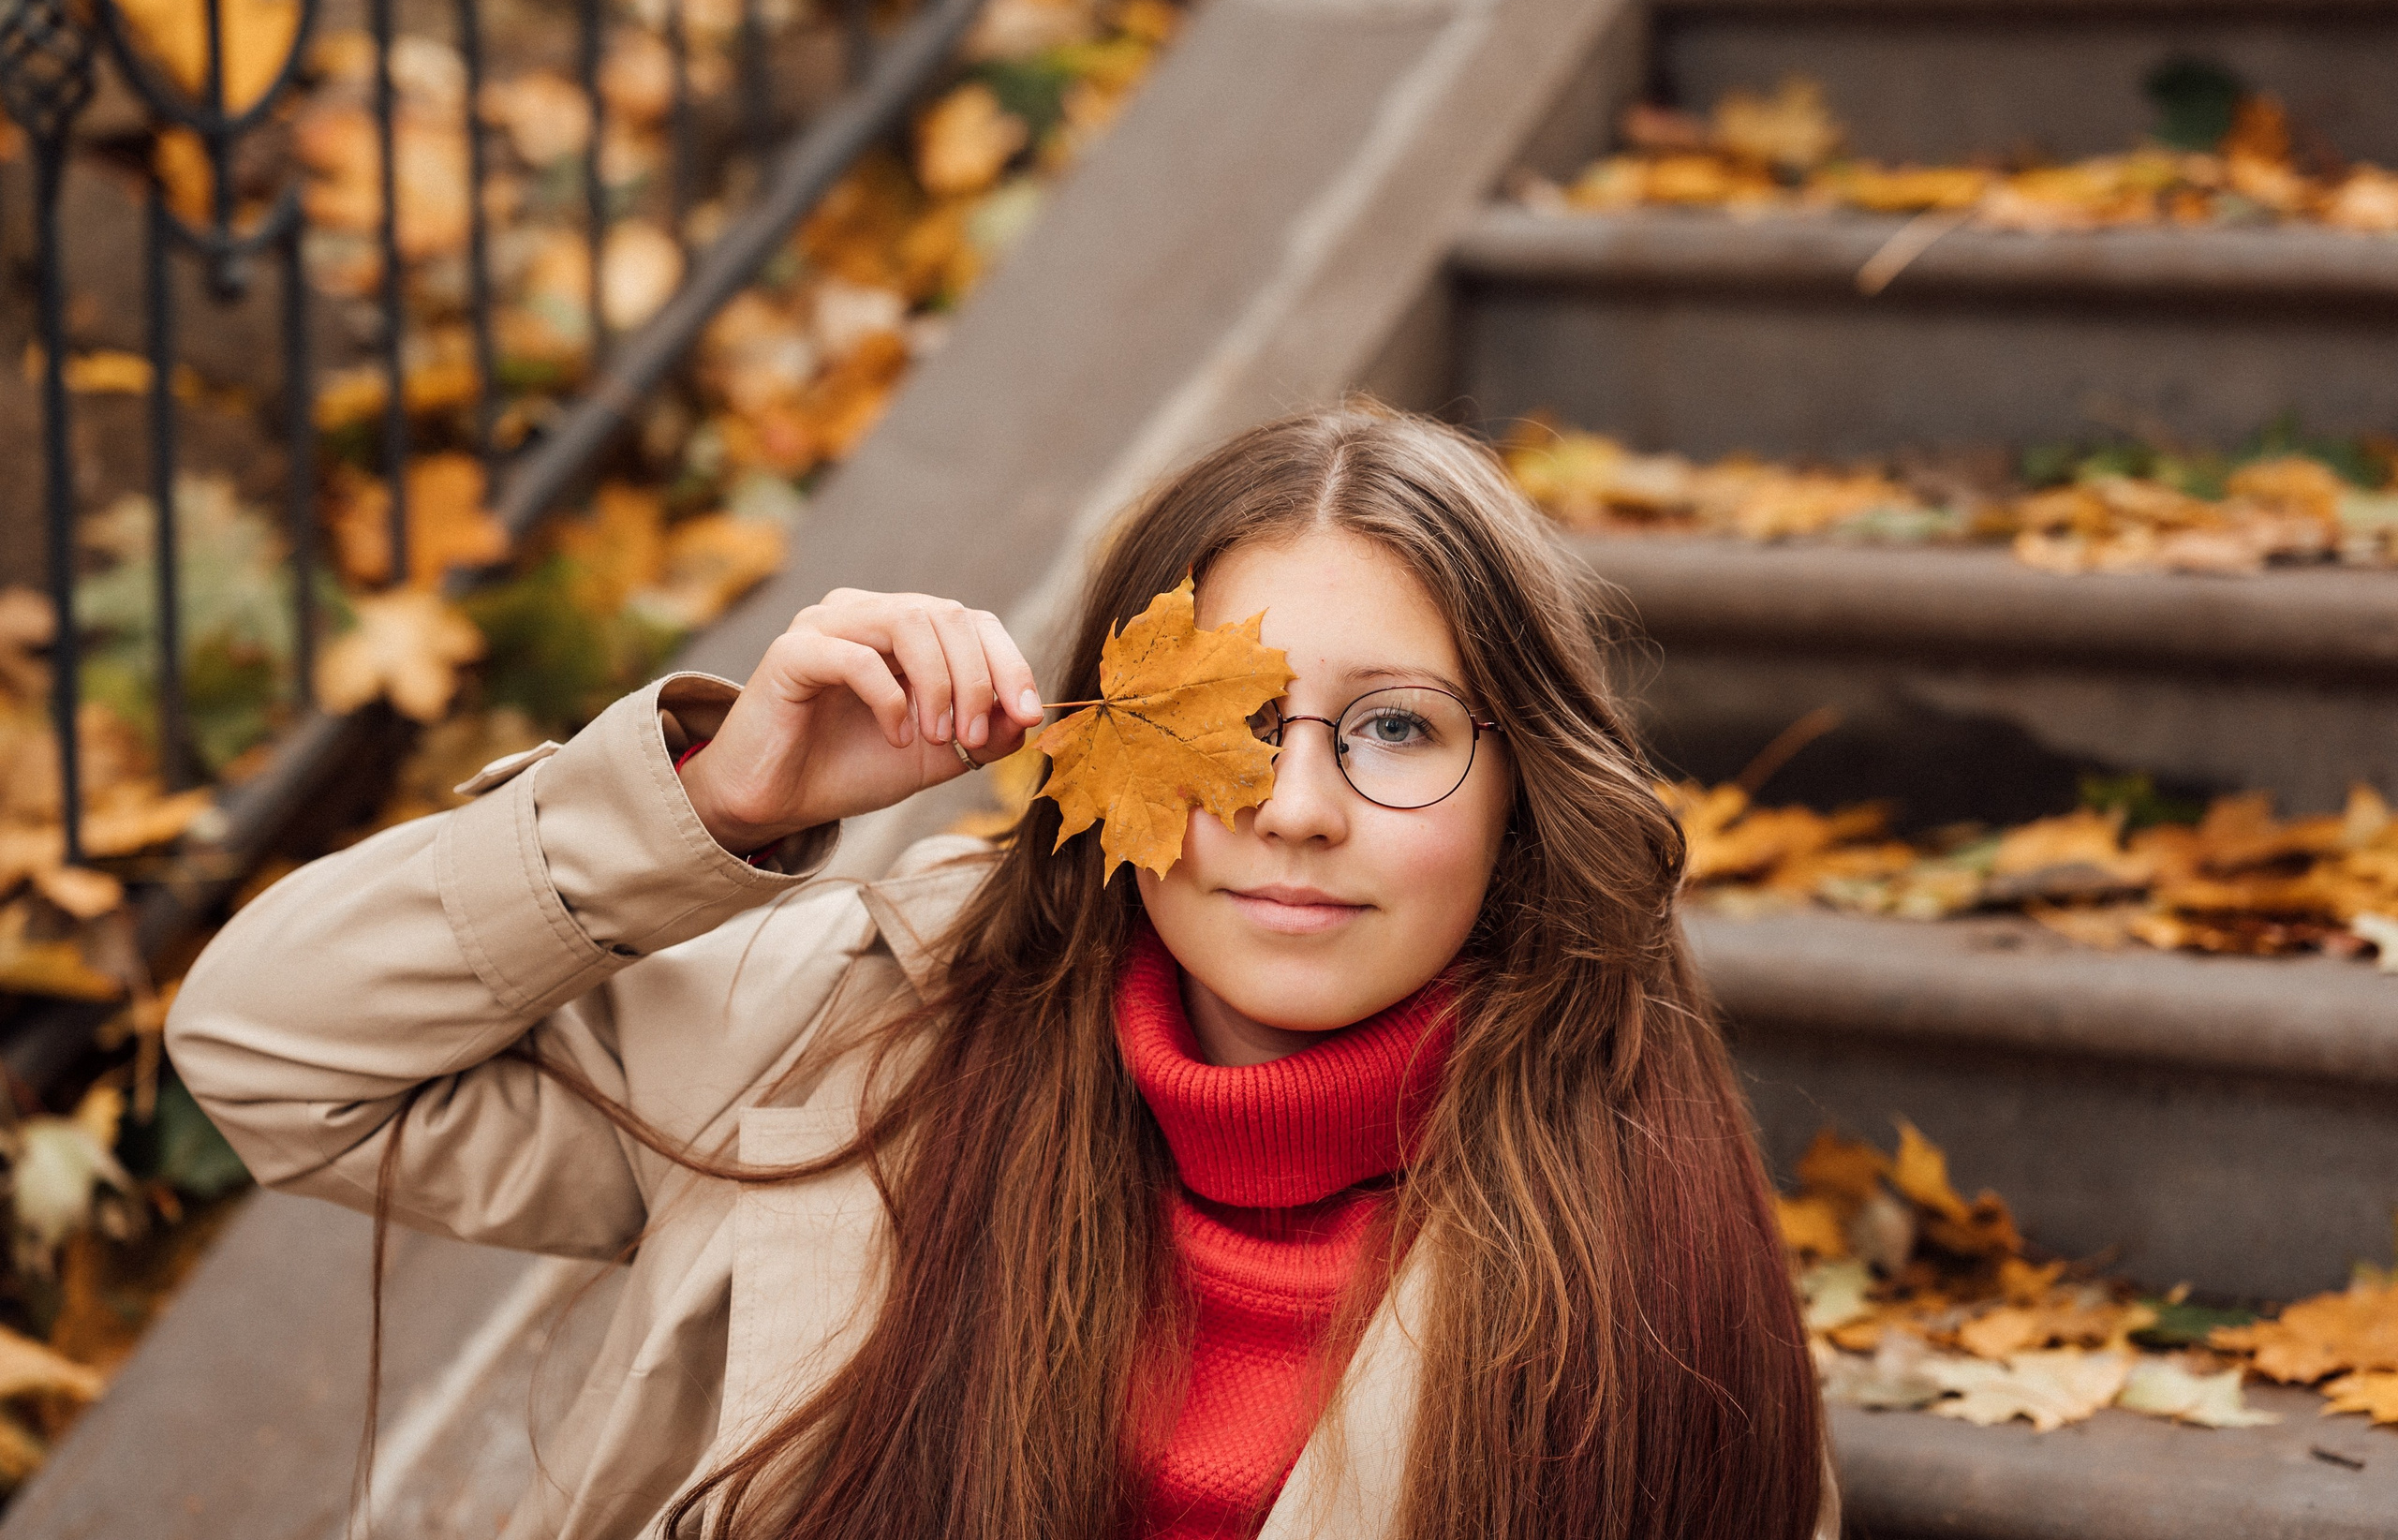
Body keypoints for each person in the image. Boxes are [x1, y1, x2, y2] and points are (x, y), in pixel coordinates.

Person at [170, 403, 1831, 1540]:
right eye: (1228, 726)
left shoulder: (1647, 1241)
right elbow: (271, 1047)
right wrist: (708, 808)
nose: (1301, 809)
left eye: (1396, 726)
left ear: (1520, 789)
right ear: (1102, 745)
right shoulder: (840, 1042)